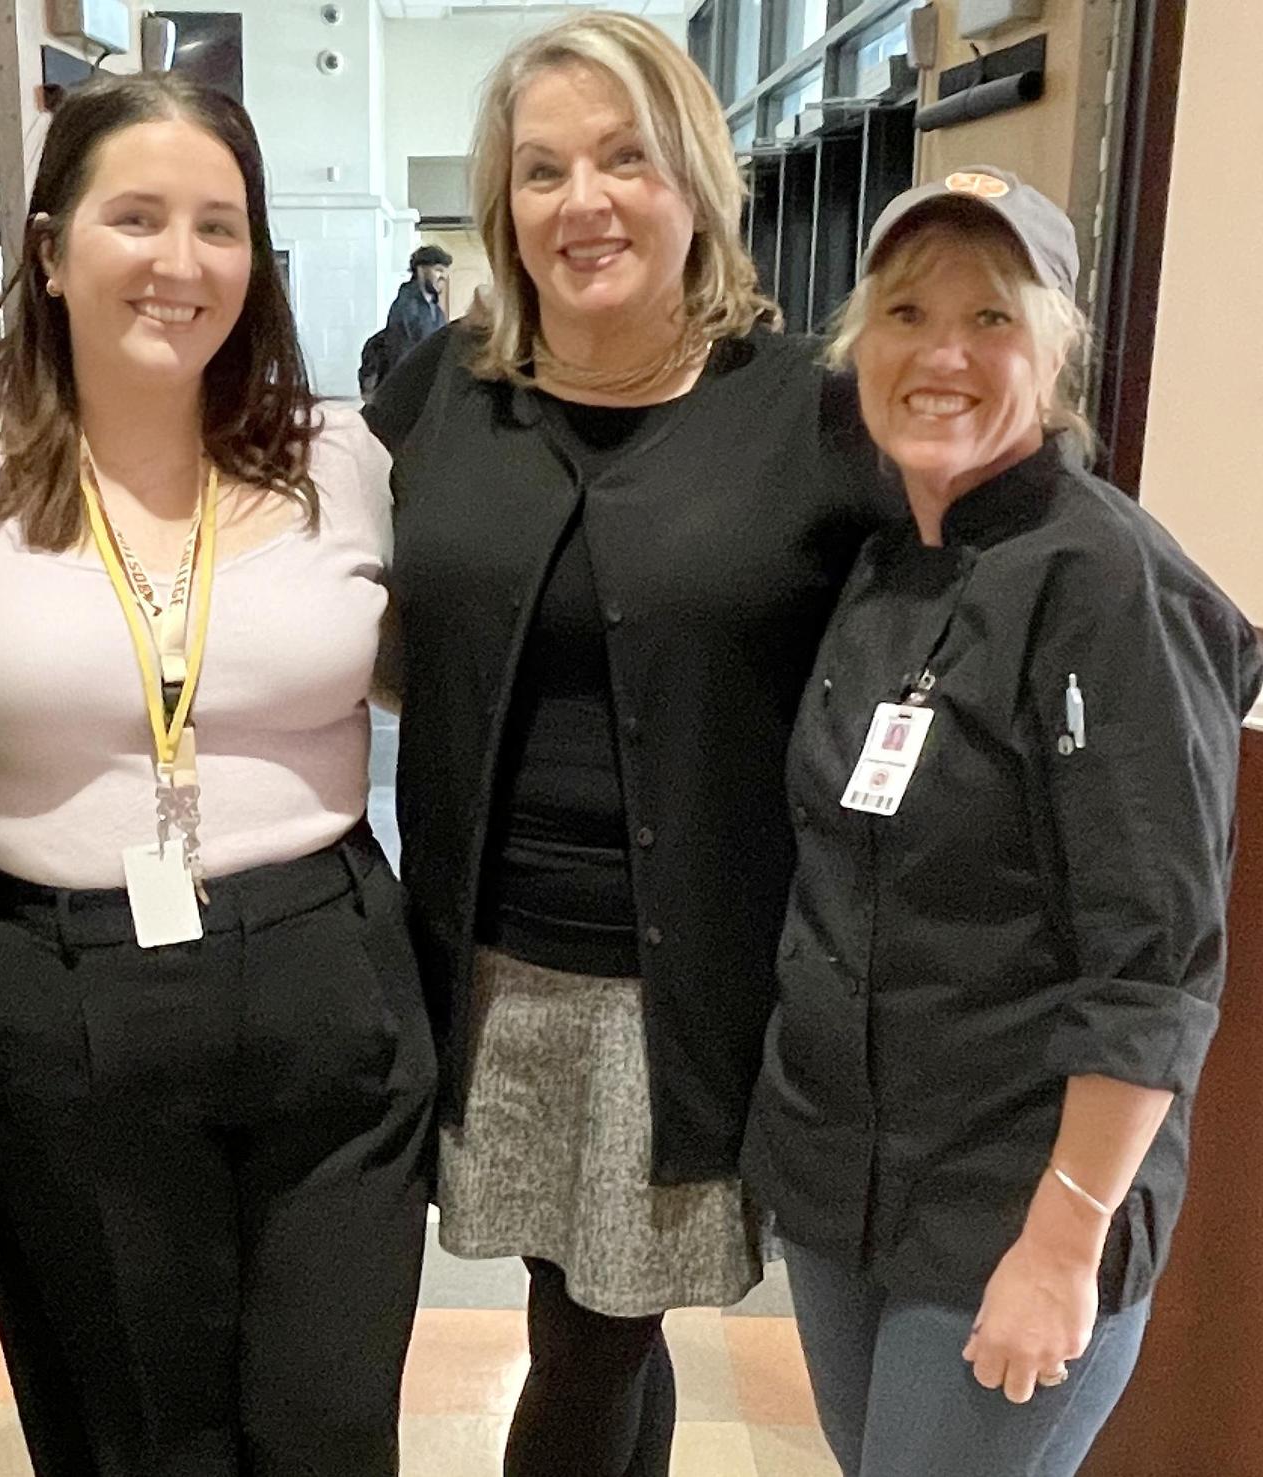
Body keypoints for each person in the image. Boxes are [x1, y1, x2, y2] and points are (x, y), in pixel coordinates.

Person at [362, 13, 892, 1476]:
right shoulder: (444, 391)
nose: (582, 200)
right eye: (542, 170)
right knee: (594, 1308)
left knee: (596, 1332)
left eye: (624, 159)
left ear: (696, 183)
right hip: (482, 964)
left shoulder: (809, 409)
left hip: (688, 985)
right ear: (502, 204)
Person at [0, 74, 436, 1477]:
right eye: (135, 217)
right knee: (139, 1438)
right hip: (55, 991)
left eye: (219, 225)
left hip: (326, 972)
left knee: (330, 1427)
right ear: (48, 249)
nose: (180, 261)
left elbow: (440, 663)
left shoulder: (342, 456)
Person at [742, 167, 1262, 1477]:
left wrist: (1064, 1241)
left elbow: (1152, 967)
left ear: (1056, 349)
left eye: (991, 318)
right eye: (908, 314)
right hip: (851, 1187)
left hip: (1012, 1206)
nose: (943, 356)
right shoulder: (885, 561)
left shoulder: (1113, 587)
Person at [370, 244, 451, 391]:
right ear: (421, 270)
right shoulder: (406, 306)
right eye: (438, 270)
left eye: (445, 272)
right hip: (410, 389)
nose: (443, 277)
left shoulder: (435, 310)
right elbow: (402, 355)